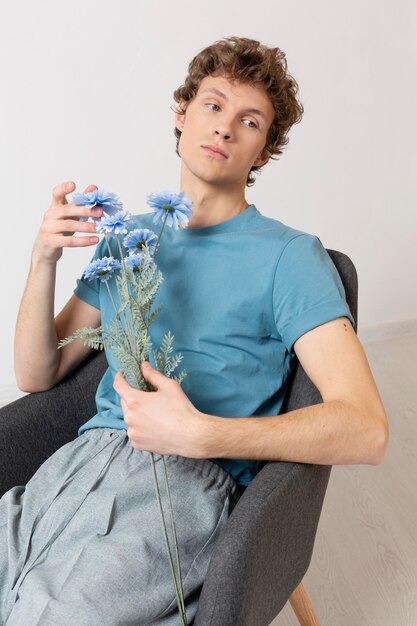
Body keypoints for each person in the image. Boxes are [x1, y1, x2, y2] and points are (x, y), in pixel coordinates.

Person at [1, 36, 389, 625]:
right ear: (181, 115)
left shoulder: (289, 257)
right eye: (213, 105)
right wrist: (43, 262)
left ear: (263, 151)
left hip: (182, 482)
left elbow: (366, 428)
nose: (225, 128)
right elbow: (38, 372)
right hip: (78, 464)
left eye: (249, 121)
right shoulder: (131, 237)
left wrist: (204, 434)